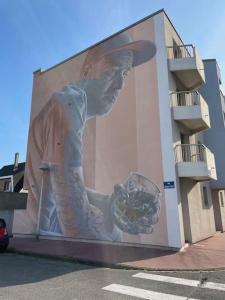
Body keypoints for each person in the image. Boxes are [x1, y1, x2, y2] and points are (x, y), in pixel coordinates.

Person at [24, 32, 159, 241]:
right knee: (115, 235)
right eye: (114, 70)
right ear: (88, 69)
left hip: (50, 242)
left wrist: (108, 202)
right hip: (55, 248)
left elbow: (62, 183)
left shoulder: (65, 104)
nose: (120, 85)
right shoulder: (69, 104)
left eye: (124, 74)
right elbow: (75, 223)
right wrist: (115, 244)